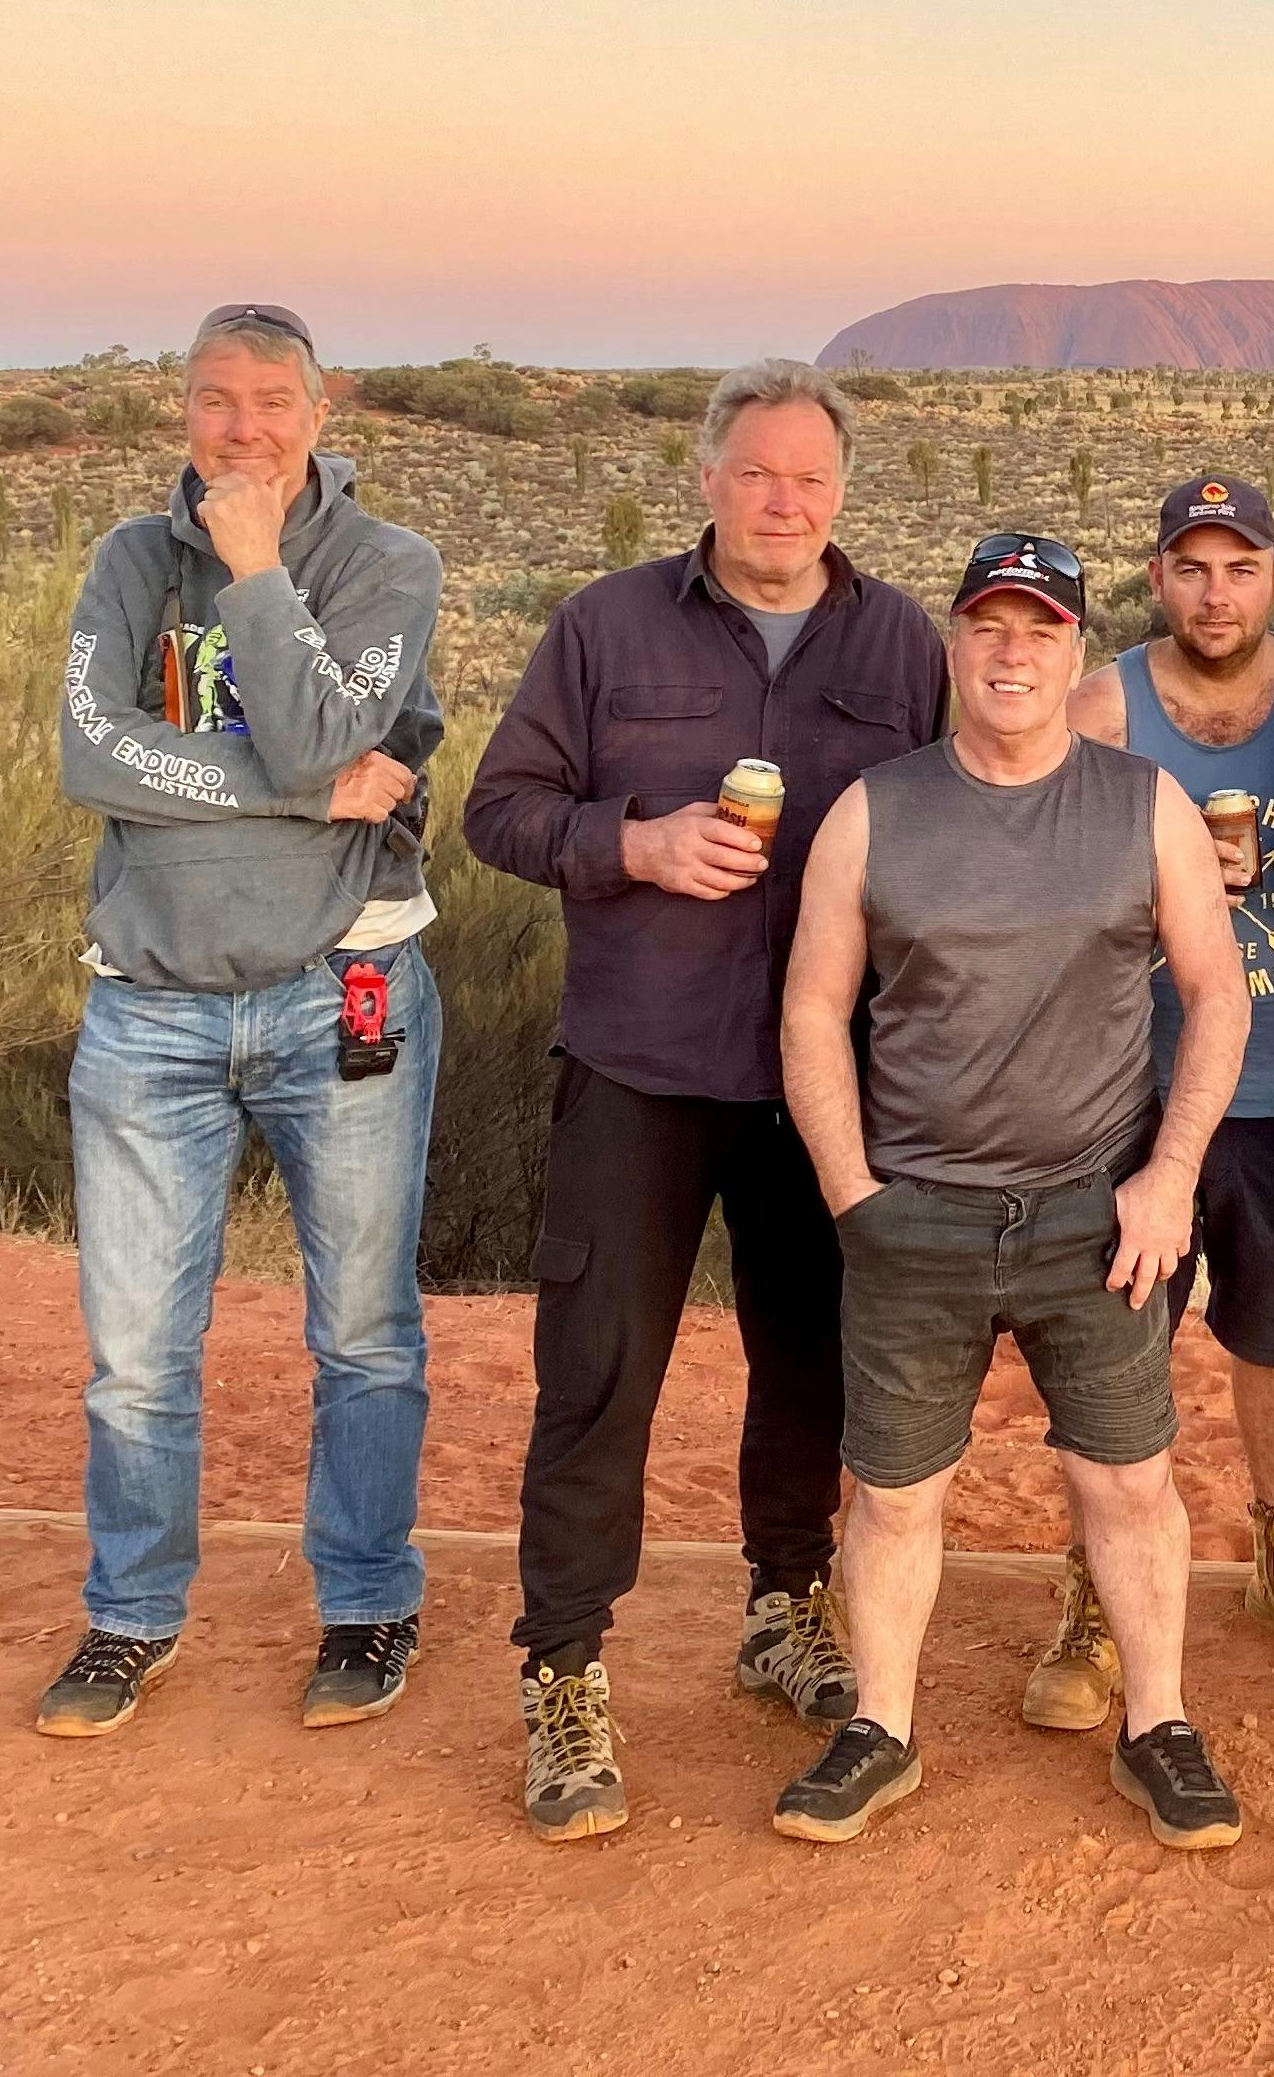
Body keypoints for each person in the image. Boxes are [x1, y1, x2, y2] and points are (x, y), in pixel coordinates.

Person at [466, 356, 942, 1841]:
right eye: (756, 472)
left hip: (826, 1082)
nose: (782, 499)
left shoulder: (905, 642)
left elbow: (965, 815)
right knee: (600, 1372)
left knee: (814, 1366)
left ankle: (784, 1607)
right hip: (642, 1066)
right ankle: (564, 1672)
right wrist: (637, 844)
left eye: (808, 476)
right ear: (707, 478)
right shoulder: (607, 626)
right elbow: (500, 809)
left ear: (842, 492)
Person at [769, 531, 1256, 1851]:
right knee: (893, 1493)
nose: (1011, 651)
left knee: (1130, 1483)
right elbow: (812, 1010)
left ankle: (1155, 1724)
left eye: (1039, 628)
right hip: (912, 1210)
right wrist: (852, 1192)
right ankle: (878, 1729)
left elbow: (1216, 996)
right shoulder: (877, 807)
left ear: (1076, 649)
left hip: (1098, 1216)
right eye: (988, 624)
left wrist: (1169, 1176)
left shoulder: (1141, 801)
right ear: (953, 643)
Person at [40, 304, 448, 1741]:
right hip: (150, 1006)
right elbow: (93, 753)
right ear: (182, 412)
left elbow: (336, 735)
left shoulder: (387, 566)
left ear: (321, 413)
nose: (245, 428)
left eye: (274, 401)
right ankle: (131, 1614)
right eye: (218, 400)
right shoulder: (127, 561)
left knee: (363, 1329)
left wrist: (260, 572)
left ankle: (366, 1599)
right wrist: (292, 793)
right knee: (138, 1346)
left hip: (343, 983)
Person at [1021, 472, 1274, 1731]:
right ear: (1155, 578)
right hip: (1136, 1098)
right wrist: (1162, 884)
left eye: (1239, 567)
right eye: (1189, 567)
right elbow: (1041, 884)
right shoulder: (1103, 707)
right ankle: (1092, 1594)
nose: (1214, 593)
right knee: (1116, 1351)